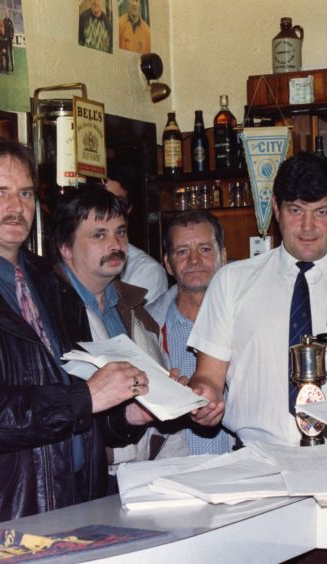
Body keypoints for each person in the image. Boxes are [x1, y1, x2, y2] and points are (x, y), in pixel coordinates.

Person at [0, 136, 150, 535]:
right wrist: (87, 397)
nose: (16, 206)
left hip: (74, 504)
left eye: (24, 192)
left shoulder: (52, 282)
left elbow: (72, 391)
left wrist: (126, 415)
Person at [187, 152, 327, 445]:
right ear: (276, 208)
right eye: (296, 210)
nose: (307, 226)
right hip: (257, 457)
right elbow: (208, 378)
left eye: (321, 212)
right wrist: (203, 399)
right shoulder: (231, 282)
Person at [53, 186, 176, 467]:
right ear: (65, 247)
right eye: (99, 235)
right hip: (83, 478)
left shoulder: (134, 307)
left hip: (146, 473)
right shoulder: (48, 312)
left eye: (120, 232)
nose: (115, 244)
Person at [147, 210, 234, 454]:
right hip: (171, 475)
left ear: (223, 256)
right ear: (168, 264)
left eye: (205, 249)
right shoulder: (144, 327)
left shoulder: (250, 320)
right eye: (182, 251)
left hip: (240, 469)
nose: (194, 260)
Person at [103, 163, 168, 305]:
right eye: (101, 202)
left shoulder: (146, 271)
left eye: (117, 203)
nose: (108, 212)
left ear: (128, 209)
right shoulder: (74, 255)